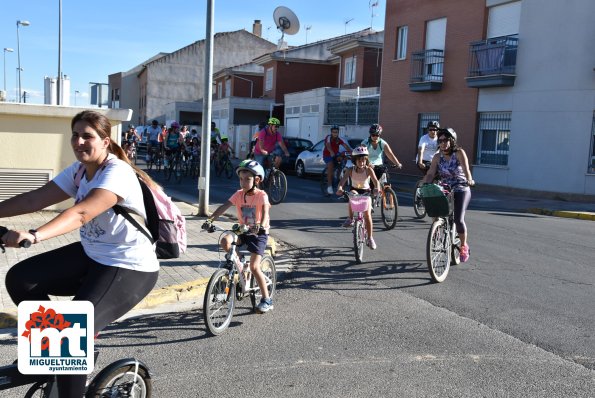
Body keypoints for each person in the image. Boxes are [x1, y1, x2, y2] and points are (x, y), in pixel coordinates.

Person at [0, 110, 159, 397]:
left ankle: (66, 371)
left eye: (88, 136)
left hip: (129, 265)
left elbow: (81, 213)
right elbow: (36, 198)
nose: (79, 141)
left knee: (72, 332)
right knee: (21, 278)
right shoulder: (78, 171)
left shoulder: (117, 172)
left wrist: (34, 235)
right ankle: (52, 358)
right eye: (75, 135)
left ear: (105, 142)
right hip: (93, 255)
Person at [204, 159, 273, 313]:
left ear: (256, 180)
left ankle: (267, 299)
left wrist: (260, 226)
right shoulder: (239, 194)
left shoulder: (262, 195)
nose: (242, 183)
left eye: (247, 179)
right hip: (242, 230)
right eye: (240, 179)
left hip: (258, 233)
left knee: (255, 267)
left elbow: (266, 213)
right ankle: (240, 260)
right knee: (225, 241)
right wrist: (210, 220)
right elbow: (224, 206)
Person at [423, 127, 475, 262]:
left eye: (446, 140)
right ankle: (438, 232)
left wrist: (469, 179)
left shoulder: (459, 153)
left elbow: (466, 168)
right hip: (445, 188)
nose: (443, 143)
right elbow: (430, 173)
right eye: (440, 140)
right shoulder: (437, 156)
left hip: (461, 187)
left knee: (458, 219)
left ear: (452, 141)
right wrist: (424, 185)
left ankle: (463, 246)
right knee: (436, 212)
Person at [336, 146, 380, 250]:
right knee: (352, 195)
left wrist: (376, 189)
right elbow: (342, 181)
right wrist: (340, 188)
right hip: (355, 189)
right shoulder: (350, 170)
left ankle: (370, 238)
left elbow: (375, 181)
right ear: (354, 161)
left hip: (366, 191)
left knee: (367, 215)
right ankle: (351, 218)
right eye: (359, 160)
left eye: (364, 160)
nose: (362, 163)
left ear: (366, 160)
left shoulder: (369, 170)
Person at [323, 125, 353, 195]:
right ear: (331, 132)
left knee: (342, 161)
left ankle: (338, 177)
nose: (335, 133)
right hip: (327, 155)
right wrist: (331, 152)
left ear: (338, 133)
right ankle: (329, 186)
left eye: (336, 132)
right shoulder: (328, 137)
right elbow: (328, 145)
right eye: (333, 132)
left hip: (335, 154)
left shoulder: (338, 139)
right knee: (330, 166)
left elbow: (345, 146)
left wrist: (351, 152)